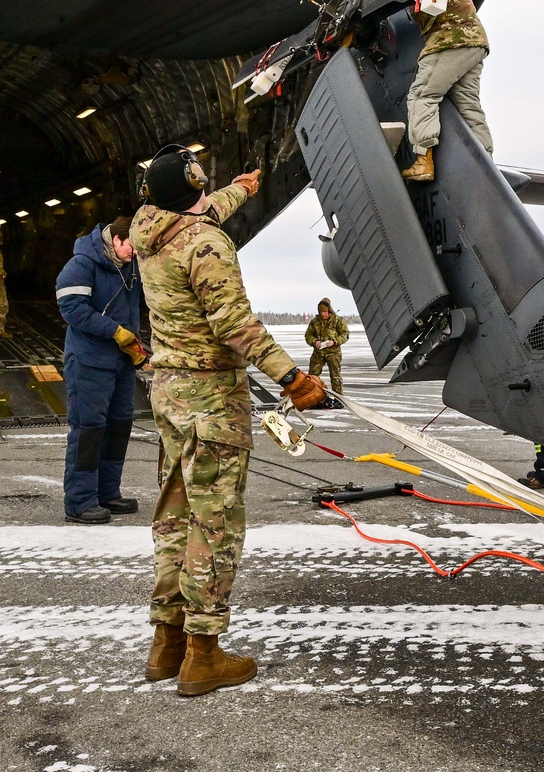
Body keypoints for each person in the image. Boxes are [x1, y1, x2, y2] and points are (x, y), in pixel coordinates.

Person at [130, 145, 326, 697]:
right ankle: (204, 655)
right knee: (214, 525)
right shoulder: (207, 246)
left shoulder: (151, 229)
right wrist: (292, 378)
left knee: (174, 516)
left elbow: (203, 209)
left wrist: (244, 188)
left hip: (169, 393)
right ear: (192, 185)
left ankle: (166, 643)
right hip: (211, 400)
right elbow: (233, 322)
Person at [356, 0, 493, 182]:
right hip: (473, 42)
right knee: (469, 107)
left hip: (451, 40)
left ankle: (423, 160)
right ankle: (486, 165)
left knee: (421, 94)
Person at [56, 215, 147, 524]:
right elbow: (73, 310)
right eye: (131, 247)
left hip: (121, 363)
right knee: (89, 429)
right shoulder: (81, 265)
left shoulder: (132, 266)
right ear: (116, 240)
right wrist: (115, 331)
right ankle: (80, 502)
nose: (135, 253)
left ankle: (108, 492)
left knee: (119, 426)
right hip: (89, 361)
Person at [305, 296, 349, 394]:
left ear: (329, 311)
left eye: (325, 312)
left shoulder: (338, 321)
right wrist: (314, 341)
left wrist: (334, 341)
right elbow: (308, 335)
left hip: (333, 353)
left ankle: (338, 398)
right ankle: (312, 396)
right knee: (312, 376)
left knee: (335, 376)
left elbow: (345, 334)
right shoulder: (314, 322)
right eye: (321, 312)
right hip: (318, 353)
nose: (323, 314)